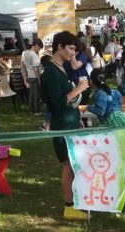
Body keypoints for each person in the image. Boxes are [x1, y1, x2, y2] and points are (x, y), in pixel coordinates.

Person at [42, 31, 91, 221]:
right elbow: (57, 102)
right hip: (62, 124)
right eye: (71, 48)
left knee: (74, 164)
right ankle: (69, 207)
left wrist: (77, 116)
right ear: (60, 46)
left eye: (75, 49)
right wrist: (78, 88)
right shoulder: (51, 72)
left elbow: (69, 102)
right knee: (69, 166)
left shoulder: (61, 68)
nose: (73, 53)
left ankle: (75, 201)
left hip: (71, 121)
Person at [22, 39, 44, 115]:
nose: (39, 50)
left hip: (29, 75)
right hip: (35, 76)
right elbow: (36, 68)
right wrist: (39, 78)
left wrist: (25, 76)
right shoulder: (33, 54)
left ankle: (31, 110)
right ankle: (37, 111)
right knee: (36, 94)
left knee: (31, 94)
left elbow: (23, 65)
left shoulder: (24, 53)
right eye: (39, 48)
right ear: (36, 45)